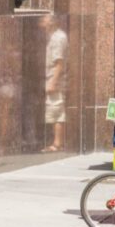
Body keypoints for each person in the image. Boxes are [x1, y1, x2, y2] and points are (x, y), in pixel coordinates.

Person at [43, 16, 69, 153]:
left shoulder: (58, 38)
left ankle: (57, 143)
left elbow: (60, 62)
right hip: (53, 77)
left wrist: (53, 81)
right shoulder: (53, 36)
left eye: (44, 19)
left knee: (57, 110)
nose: (42, 22)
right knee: (54, 110)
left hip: (56, 79)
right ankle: (57, 142)